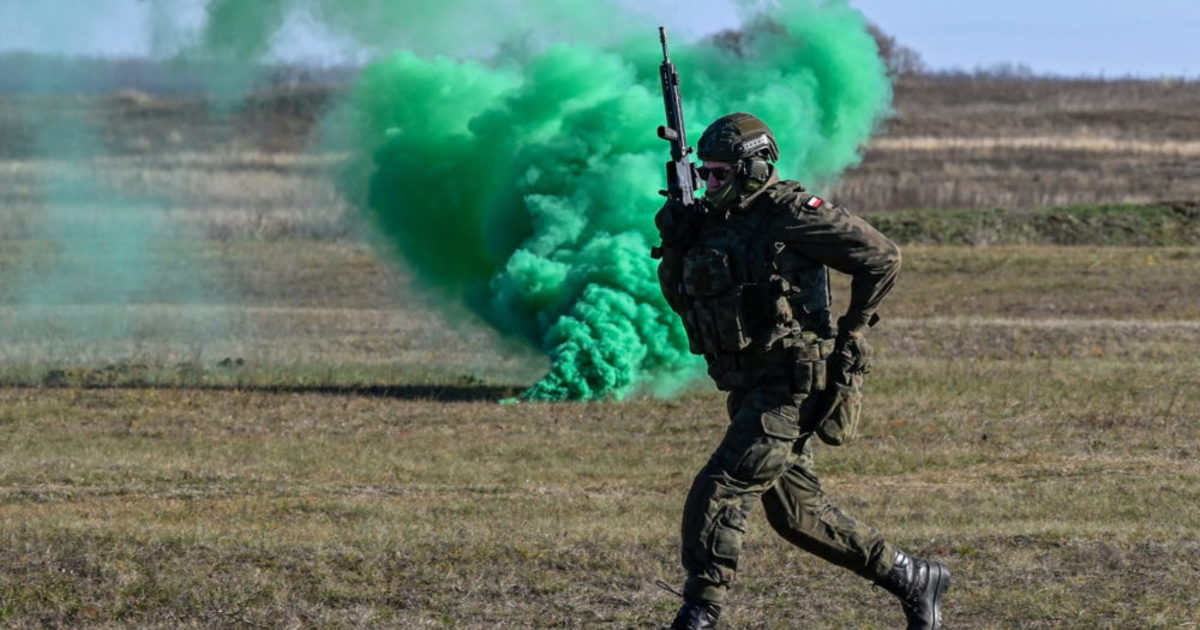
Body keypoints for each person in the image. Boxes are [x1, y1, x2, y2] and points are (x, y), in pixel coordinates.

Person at [652, 113, 950, 630]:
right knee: (798, 516)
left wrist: (853, 330)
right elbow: (684, 300)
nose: (710, 183)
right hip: (747, 384)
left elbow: (881, 257)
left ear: (752, 168)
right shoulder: (712, 221)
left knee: (720, 488)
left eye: (720, 173)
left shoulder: (790, 212)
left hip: (792, 384)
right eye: (705, 174)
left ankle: (701, 610)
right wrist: (678, 243)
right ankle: (913, 576)